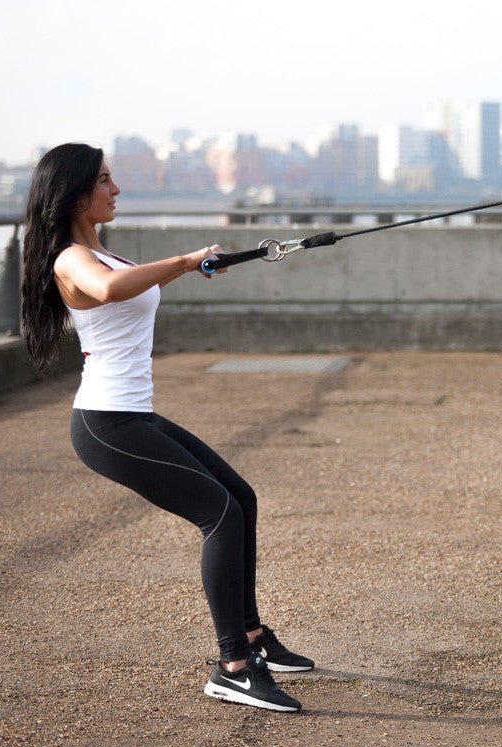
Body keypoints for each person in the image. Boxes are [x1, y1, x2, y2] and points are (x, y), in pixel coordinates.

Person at [20, 142, 313, 713]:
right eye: (105, 181)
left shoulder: (108, 256)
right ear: (76, 192)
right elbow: (105, 293)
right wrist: (182, 260)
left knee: (240, 497)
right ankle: (232, 666)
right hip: (106, 423)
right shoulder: (69, 259)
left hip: (134, 414)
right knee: (219, 514)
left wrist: (195, 267)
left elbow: (127, 292)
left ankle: (253, 637)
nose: (116, 189)